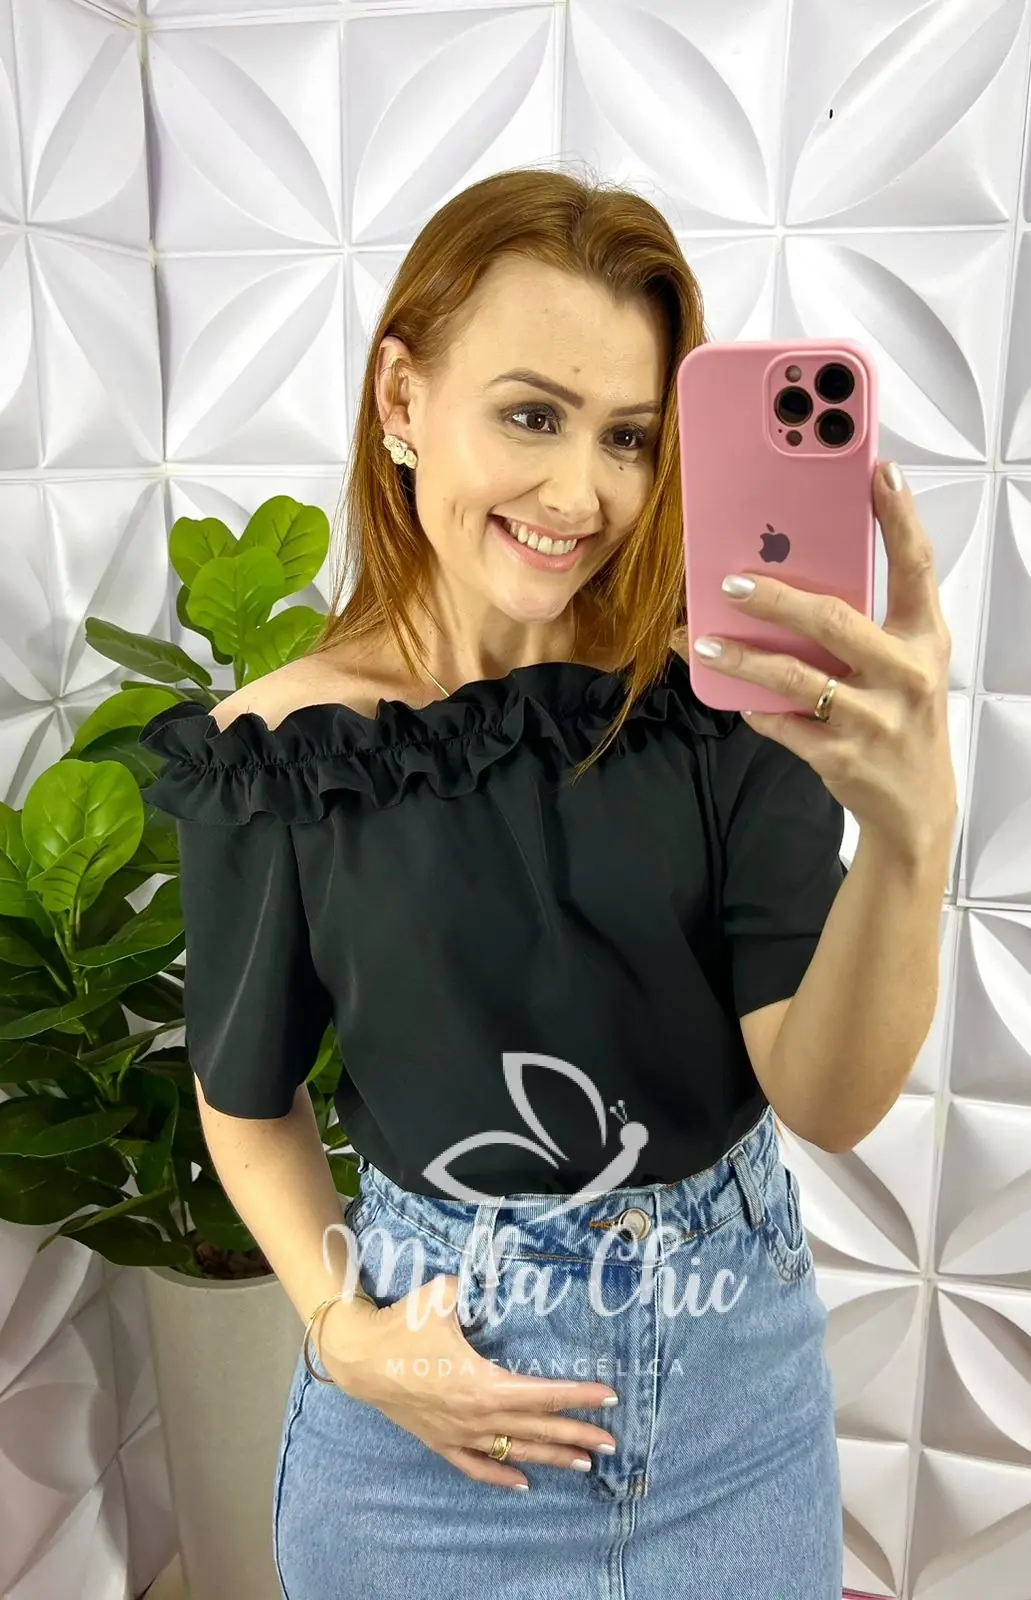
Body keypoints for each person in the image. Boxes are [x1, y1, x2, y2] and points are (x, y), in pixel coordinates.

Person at [139, 166, 850, 1599]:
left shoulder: (717, 704)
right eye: (532, 414)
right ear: (401, 398)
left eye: (629, 436)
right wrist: (344, 1335)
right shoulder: (285, 758)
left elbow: (826, 1093)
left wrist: (913, 815)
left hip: (734, 1407)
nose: (581, 493)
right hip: (432, 1426)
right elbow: (245, 1096)